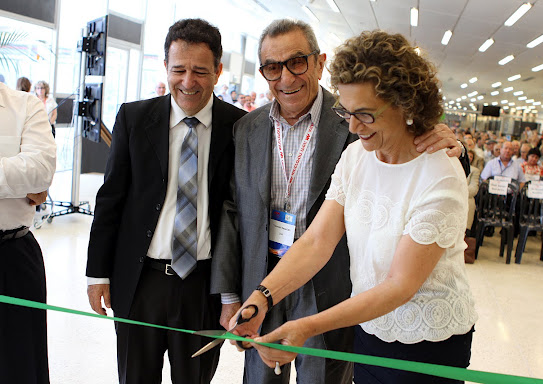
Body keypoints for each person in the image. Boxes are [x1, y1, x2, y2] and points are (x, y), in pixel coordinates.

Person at [211, 20, 468, 384]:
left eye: (365, 114)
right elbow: (317, 241)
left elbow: (400, 285)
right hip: (368, 327)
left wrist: (304, 327)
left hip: (425, 339)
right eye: (346, 112)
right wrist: (262, 298)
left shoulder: (438, 174)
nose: (353, 127)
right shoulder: (357, 158)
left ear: (404, 103)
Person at [85, 18, 246, 384]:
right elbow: (110, 198)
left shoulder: (240, 128)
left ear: (218, 71)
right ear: (166, 67)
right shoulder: (134, 117)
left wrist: (234, 294)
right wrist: (98, 273)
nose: (188, 83)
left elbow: (241, 216)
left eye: (200, 71)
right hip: (140, 281)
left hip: (203, 286)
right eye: (179, 70)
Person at [0, 82, 57, 383]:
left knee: (19, 367)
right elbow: (28, 177)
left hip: (12, 257)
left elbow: (39, 171)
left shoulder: (25, 105)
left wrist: (31, 177)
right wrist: (14, 177)